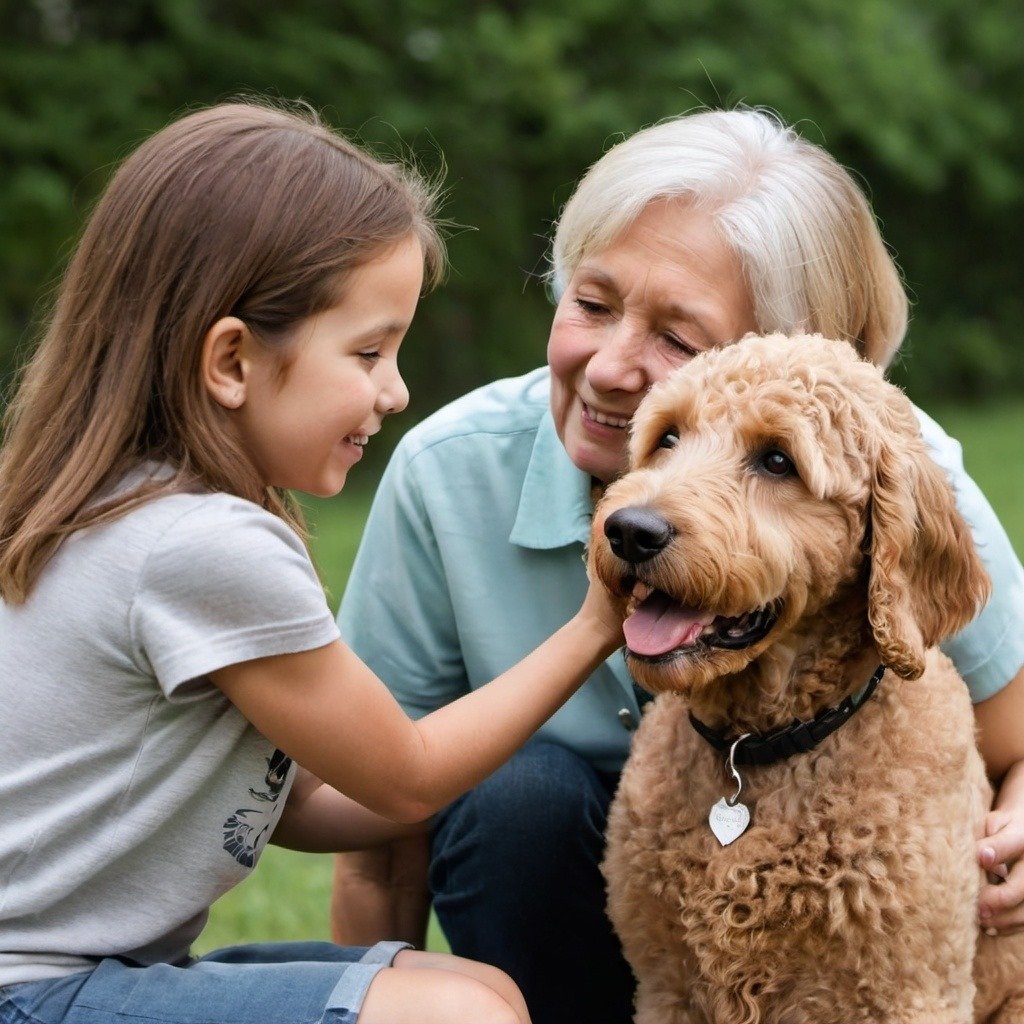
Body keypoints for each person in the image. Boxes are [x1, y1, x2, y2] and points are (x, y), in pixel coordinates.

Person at [331, 108, 1024, 1024]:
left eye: (678, 340)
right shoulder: (450, 470)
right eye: (591, 303)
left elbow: (1016, 737)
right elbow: (377, 840)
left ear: (788, 353)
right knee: (518, 799)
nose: (615, 367)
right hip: (572, 924)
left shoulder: (887, 467)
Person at [0, 101, 629, 1024]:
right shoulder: (202, 546)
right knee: (464, 1020)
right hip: (35, 992)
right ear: (231, 360)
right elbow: (403, 774)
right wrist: (597, 624)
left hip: (77, 980)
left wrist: (505, 793)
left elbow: (295, 807)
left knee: (478, 991)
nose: (396, 390)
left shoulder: (122, 507)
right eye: (369, 351)